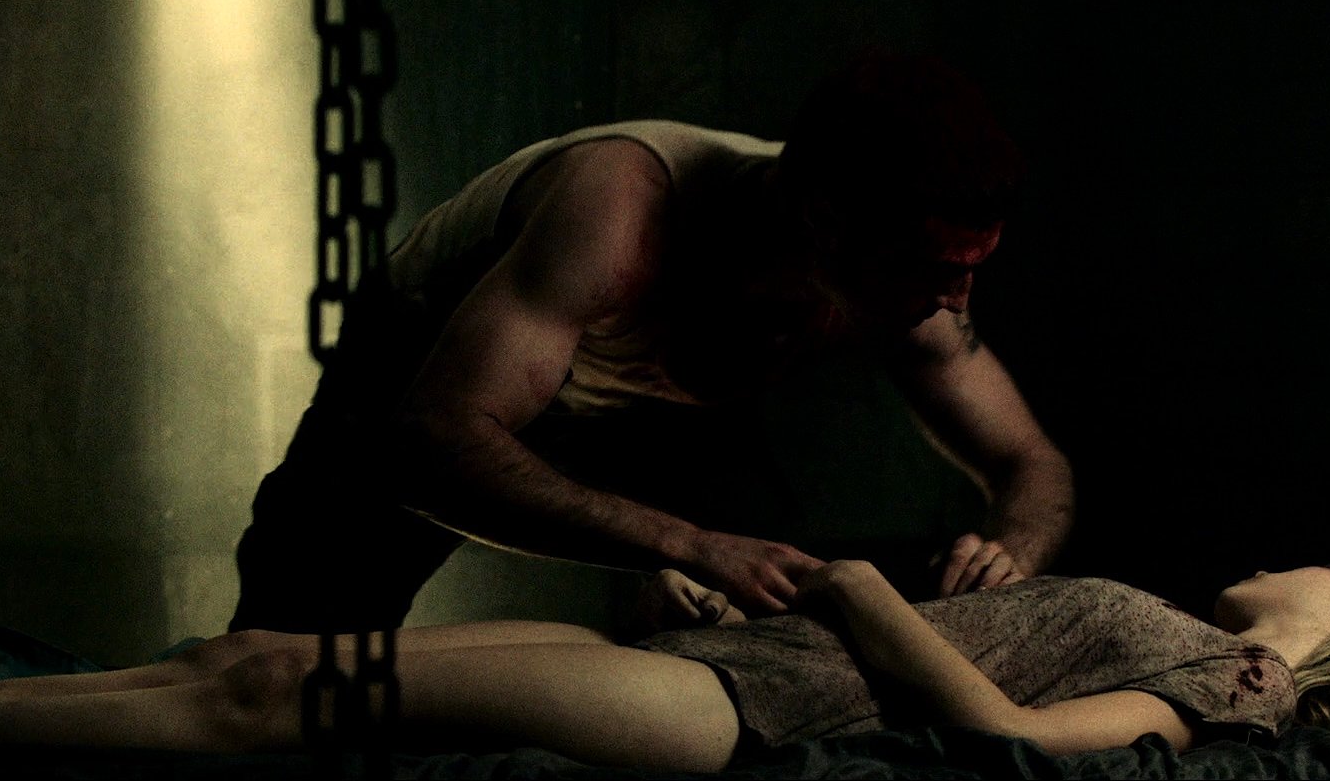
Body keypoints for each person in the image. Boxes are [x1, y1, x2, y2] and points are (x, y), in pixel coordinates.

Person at [228, 49, 1075, 635]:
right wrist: (689, 545)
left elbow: (1030, 462)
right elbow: (433, 438)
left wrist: (1009, 557)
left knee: (744, 614)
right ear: (824, 223)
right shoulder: (618, 213)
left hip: (642, 406)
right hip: (425, 387)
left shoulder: (904, 270)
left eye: (974, 267)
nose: (956, 299)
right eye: (935, 270)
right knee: (295, 639)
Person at [0, 560, 1330, 773]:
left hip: (736, 705)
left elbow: (1012, 733)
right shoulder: (1212, 645)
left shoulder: (1249, 687)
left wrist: (864, 592)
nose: (1299, 552)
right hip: (724, 650)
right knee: (252, 650)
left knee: (271, 701)